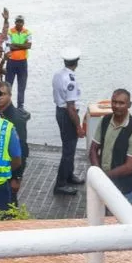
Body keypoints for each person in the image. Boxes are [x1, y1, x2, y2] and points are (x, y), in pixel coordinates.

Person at [87, 89, 132, 202]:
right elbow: (93, 149)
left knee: (120, 219)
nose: (117, 106)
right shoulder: (105, 120)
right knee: (101, 217)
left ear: (129, 105)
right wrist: (98, 173)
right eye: (114, 102)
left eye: (121, 103)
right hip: (103, 184)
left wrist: (104, 177)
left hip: (123, 188)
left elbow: (129, 167)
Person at [51, 48, 85, 195]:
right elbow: (71, 107)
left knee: (69, 148)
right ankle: (60, 184)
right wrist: (78, 126)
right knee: (68, 151)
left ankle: (69, 175)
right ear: (76, 62)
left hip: (60, 111)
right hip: (67, 114)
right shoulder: (71, 79)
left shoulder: (58, 74)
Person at [0, 80, 30, 199]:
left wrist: (17, 177)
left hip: (10, 170)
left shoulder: (16, 119)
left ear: (10, 96)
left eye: (3, 94)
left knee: (10, 202)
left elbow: (23, 149)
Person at [3, 14, 31, 110]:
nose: (19, 23)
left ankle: (20, 106)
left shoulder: (27, 32)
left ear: (23, 23)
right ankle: (7, 104)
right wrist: (22, 45)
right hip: (11, 61)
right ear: (15, 22)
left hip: (22, 62)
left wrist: (15, 45)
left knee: (22, 85)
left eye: (21, 21)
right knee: (8, 84)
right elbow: (10, 46)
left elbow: (28, 46)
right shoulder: (10, 31)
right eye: (17, 21)